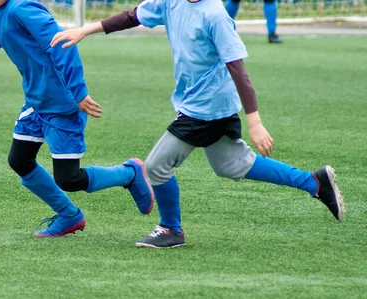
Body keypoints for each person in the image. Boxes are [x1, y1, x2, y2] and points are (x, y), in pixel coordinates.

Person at [50, 0, 345, 248]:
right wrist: (87, 29)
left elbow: (238, 70)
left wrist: (255, 121)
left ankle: (170, 229)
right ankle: (314, 182)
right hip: (201, 105)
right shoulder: (171, 2)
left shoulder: (215, 14)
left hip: (206, 109)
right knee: (232, 165)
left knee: (155, 167)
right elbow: (132, 16)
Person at [0, 0, 154, 237]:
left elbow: (61, 44)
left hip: (62, 105)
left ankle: (129, 173)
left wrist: (78, 92)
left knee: (69, 178)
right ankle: (69, 215)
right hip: (36, 102)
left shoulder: (23, 8)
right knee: (20, 160)